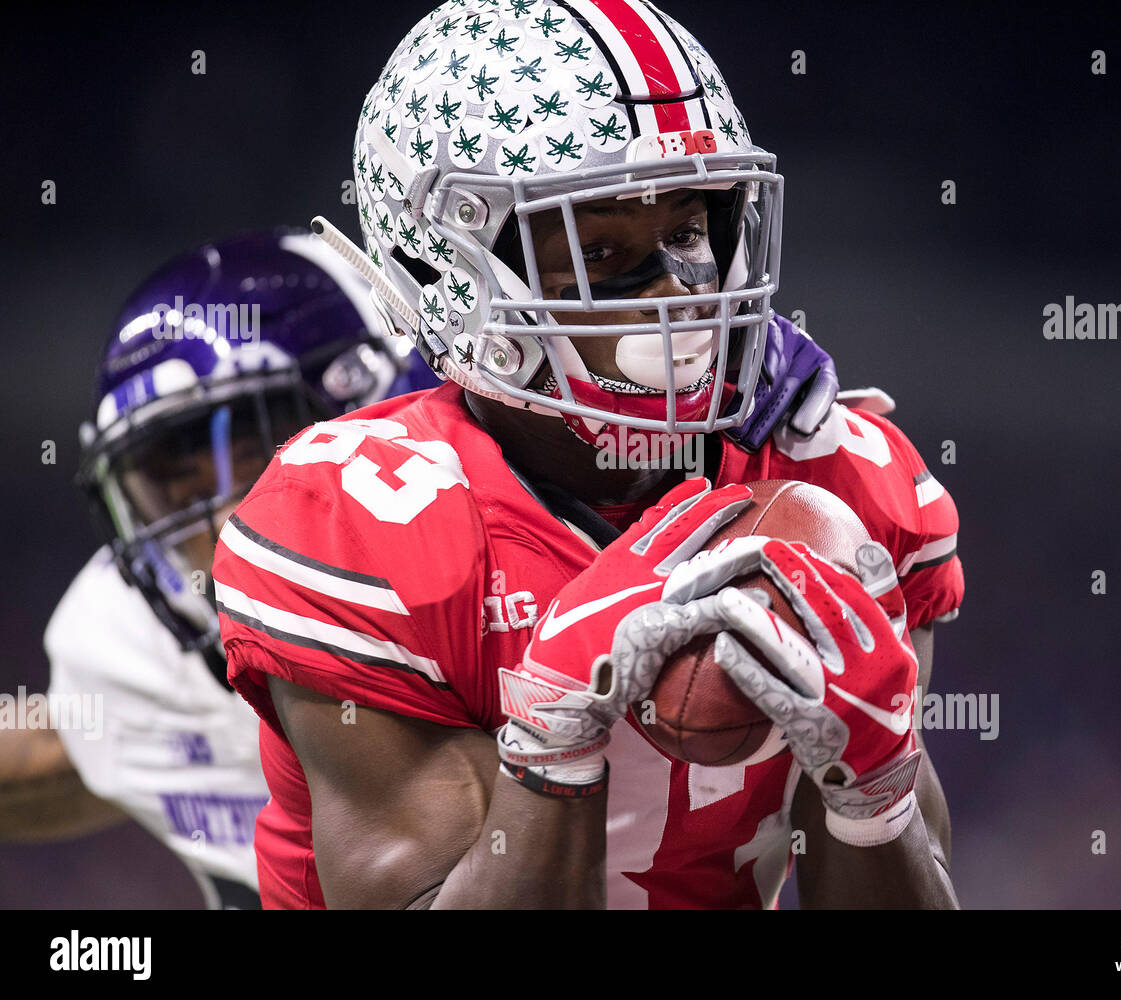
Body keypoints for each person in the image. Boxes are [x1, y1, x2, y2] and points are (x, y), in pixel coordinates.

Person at [214, 0, 961, 909]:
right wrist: (553, 732)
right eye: (600, 249)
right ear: (449, 279)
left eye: (686, 231)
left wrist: (874, 794)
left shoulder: (836, 479)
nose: (679, 292)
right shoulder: (362, 521)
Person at [0, 229, 437, 908]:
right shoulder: (136, 642)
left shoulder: (506, 575)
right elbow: (59, 756)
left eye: (262, 456)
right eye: (174, 486)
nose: (224, 531)